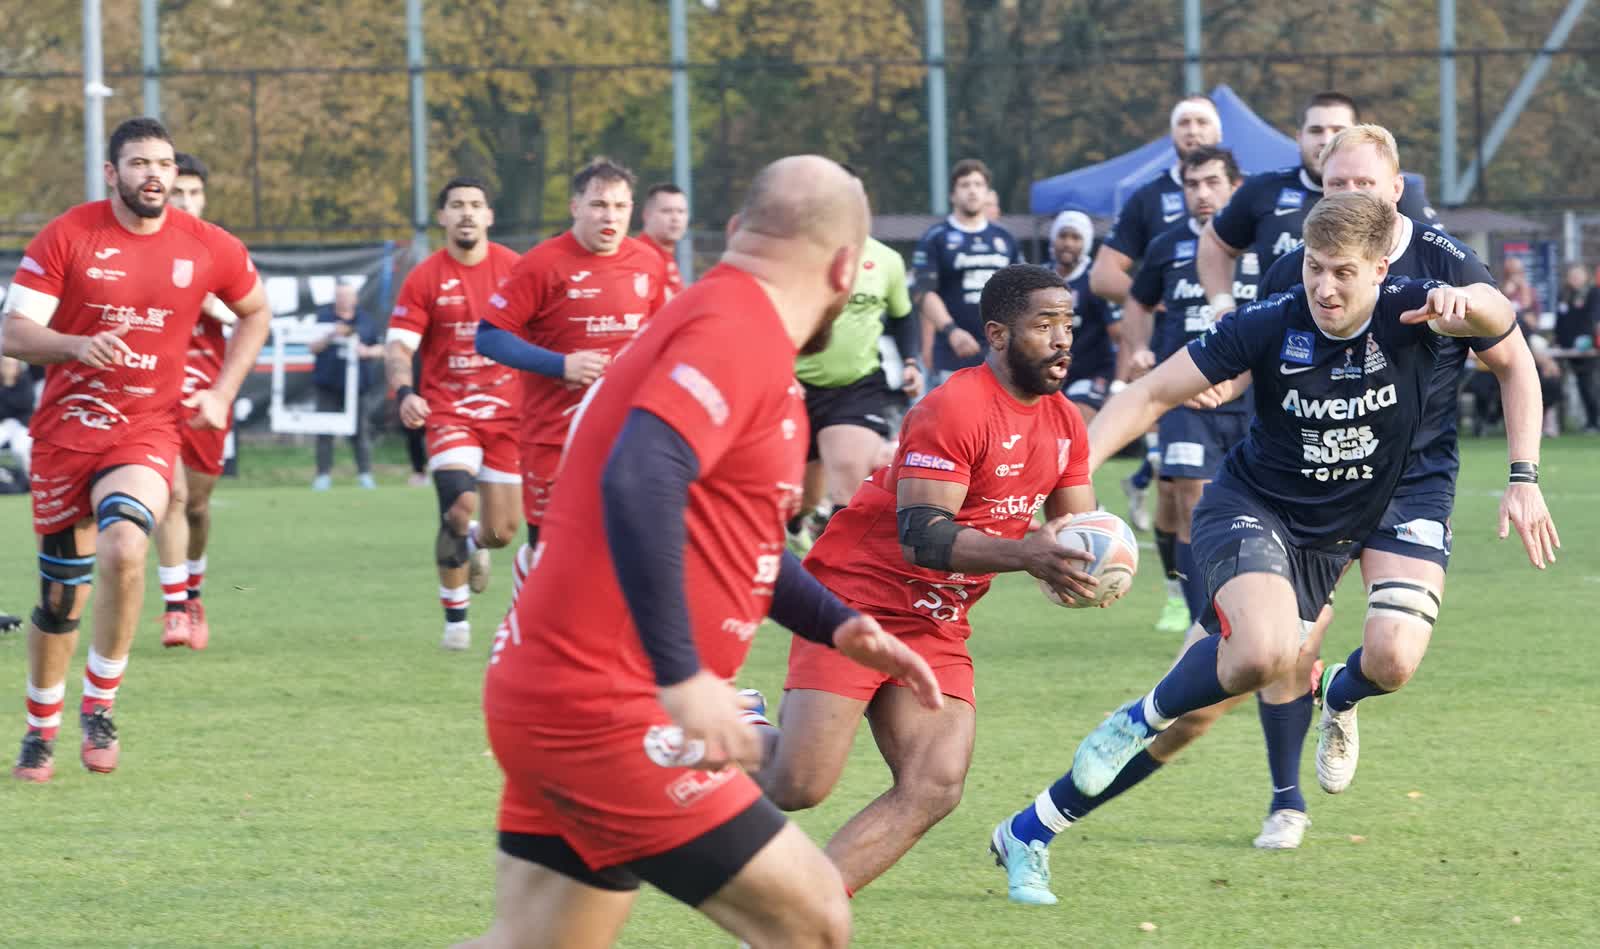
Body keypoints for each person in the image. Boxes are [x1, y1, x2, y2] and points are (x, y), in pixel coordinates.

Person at [466, 155, 942, 949]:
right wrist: (683, 676)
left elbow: (733, 537)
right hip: (610, 706)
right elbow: (640, 473)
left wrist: (837, 623)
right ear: (846, 269)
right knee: (814, 920)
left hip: (553, 693)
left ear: (734, 231)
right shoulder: (736, 330)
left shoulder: (720, 323)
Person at [989, 191, 1518, 904]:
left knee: (1245, 690)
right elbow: (1148, 395)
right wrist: (1062, 484)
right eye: (1314, 268)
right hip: (1251, 509)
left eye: (1342, 272)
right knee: (1260, 656)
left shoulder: (1417, 309)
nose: (1324, 287)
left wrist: (1470, 305)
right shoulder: (1270, 320)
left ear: (1380, 269)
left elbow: (1502, 324)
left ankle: (1029, 829)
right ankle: (1136, 720)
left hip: (1335, 535)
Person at [758, 264, 1106, 898]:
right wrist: (1027, 554)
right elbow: (923, 535)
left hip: (937, 620)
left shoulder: (1065, 425)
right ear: (997, 335)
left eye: (1068, 324)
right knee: (798, 785)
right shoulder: (956, 406)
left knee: (935, 783)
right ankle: (738, 726)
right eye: (1044, 325)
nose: (1062, 339)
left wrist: (1093, 566)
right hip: (856, 600)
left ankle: (799, 915)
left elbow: (1080, 532)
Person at [2, 116, 270, 782]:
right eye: (140, 163)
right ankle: (40, 727)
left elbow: (256, 312)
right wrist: (75, 345)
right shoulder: (69, 234)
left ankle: (100, 703)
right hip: (66, 434)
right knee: (60, 601)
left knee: (125, 546)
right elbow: (12, 331)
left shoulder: (206, 245)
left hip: (145, 429)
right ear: (112, 173)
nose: (155, 175)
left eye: (164, 164)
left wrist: (222, 392)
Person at [477, 157, 668, 603]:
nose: (609, 216)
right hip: (554, 436)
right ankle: (528, 587)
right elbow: (489, 336)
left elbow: (659, 340)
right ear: (575, 206)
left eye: (619, 206)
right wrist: (561, 365)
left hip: (624, 434)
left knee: (625, 554)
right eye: (598, 205)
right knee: (553, 560)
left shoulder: (648, 263)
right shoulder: (542, 264)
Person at [386, 176, 522, 651]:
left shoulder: (516, 269)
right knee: (459, 506)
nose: (467, 213)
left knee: (503, 532)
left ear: (489, 216)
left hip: (508, 414)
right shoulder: (425, 277)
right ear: (442, 217)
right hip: (449, 412)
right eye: (457, 205)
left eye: (475, 205)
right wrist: (405, 391)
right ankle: (456, 622)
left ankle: (475, 545)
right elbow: (399, 347)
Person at [1119, 146, 1252, 636]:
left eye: (1212, 182)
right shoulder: (1167, 245)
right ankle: (1205, 622)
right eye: (1192, 185)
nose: (1202, 193)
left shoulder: (1260, 244)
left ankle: (1250, 605)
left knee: (1251, 505)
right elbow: (1137, 303)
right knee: (1191, 500)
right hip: (1185, 392)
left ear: (1235, 187)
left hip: (1251, 395)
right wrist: (1138, 349)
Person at [1090, 95, 1224, 552]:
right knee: (1180, 493)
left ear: (1219, 133)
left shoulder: (1245, 198)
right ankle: (1179, 585)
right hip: (1176, 359)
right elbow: (1104, 275)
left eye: (1202, 121)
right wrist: (1156, 300)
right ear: (1172, 134)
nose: (1193, 130)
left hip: (1241, 362)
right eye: (1184, 122)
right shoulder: (1150, 198)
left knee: (1217, 493)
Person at [787, 167, 923, 554]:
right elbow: (774, 317)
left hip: (855, 387)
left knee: (848, 480)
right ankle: (799, 519)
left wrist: (911, 361)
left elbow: (903, 316)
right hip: (797, 387)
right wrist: (779, 369)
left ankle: (838, 575)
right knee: (804, 497)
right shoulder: (799, 255)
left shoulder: (886, 260)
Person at [1197, 91, 1434, 312]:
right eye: (1316, 130)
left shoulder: (1392, 190)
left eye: (1337, 130)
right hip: (1289, 331)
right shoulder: (1263, 189)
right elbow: (1214, 240)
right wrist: (1222, 308)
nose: (1326, 139)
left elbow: (1437, 255)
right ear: (1299, 137)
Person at [151, 152, 236, 650]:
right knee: (173, 496)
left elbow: (249, 313)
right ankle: (175, 609)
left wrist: (206, 300)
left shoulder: (219, 251)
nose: (185, 201)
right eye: (177, 191)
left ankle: (193, 592)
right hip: (153, 391)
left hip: (205, 396)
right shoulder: (141, 245)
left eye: (193, 193)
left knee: (197, 507)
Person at [912, 159, 1024, 384]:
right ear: (952, 195)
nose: (972, 191)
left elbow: (1022, 292)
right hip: (952, 354)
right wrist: (952, 331)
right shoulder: (935, 237)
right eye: (965, 185)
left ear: (987, 192)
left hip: (1000, 356)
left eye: (978, 184)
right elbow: (922, 292)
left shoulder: (1005, 238)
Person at [308, 281, 384, 490]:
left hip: (357, 386)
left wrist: (367, 351)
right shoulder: (324, 319)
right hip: (328, 384)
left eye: (347, 296)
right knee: (324, 431)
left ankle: (365, 475)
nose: (343, 300)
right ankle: (323, 475)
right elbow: (312, 347)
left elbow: (381, 348)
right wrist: (331, 335)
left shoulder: (366, 320)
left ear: (355, 298)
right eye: (340, 296)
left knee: (360, 431)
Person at [1049, 211, 1121, 426]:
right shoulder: (1039, 278)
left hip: (1091, 373)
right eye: (1063, 236)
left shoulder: (1096, 280)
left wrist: (1119, 384)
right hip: (1048, 372)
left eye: (1076, 238)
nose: (1068, 243)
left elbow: (1120, 335)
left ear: (1087, 243)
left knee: (1076, 420)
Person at [1554, 263, 1598, 432]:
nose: (1575, 279)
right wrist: (1558, 339)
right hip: (1566, 347)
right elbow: (1560, 320)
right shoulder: (1564, 294)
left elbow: (1593, 318)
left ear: (1586, 276)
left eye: (1578, 276)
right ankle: (1557, 424)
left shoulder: (1593, 293)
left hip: (1587, 348)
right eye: (1572, 276)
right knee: (1562, 383)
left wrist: (1588, 339)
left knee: (1588, 385)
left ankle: (1593, 422)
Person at [639, 182, 688, 294]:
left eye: (681, 211)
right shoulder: (638, 258)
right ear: (646, 215)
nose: (675, 218)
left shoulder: (666, 256)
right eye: (667, 211)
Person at [0, 355, 33, 476]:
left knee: (21, 449)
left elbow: (25, 403)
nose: (9, 368)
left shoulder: (24, 380)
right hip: (3, 424)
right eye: (6, 365)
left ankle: (28, 479)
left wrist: (6, 392)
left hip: (22, 425)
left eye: (13, 365)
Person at [1500, 256, 1539, 336]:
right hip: (1506, 334)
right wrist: (1506, 294)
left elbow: (1534, 322)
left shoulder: (1529, 291)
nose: (1516, 276)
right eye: (1512, 273)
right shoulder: (1500, 291)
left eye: (1519, 272)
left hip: (1526, 333)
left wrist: (1525, 293)